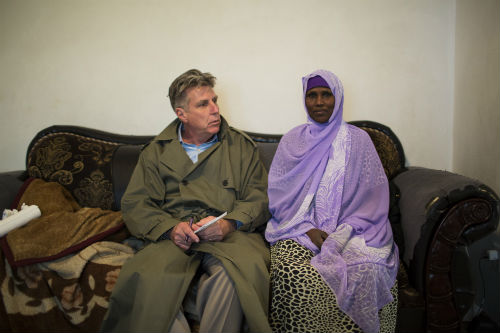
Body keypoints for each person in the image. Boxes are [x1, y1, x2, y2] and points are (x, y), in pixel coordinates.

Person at [101, 69, 272, 333]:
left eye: (214, 100)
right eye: (203, 104)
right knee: (151, 282)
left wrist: (229, 224)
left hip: (227, 235)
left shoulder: (240, 146)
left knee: (236, 276)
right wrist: (169, 228)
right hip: (176, 236)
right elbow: (136, 204)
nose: (215, 109)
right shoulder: (155, 152)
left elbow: (259, 197)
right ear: (182, 114)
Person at [265, 69, 399, 333]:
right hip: (298, 232)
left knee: (368, 269)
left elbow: (372, 198)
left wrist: (342, 233)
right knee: (291, 271)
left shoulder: (358, 140)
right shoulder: (293, 140)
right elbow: (280, 198)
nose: (319, 102)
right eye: (311, 95)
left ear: (338, 97)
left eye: (326, 94)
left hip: (352, 232)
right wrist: (308, 229)